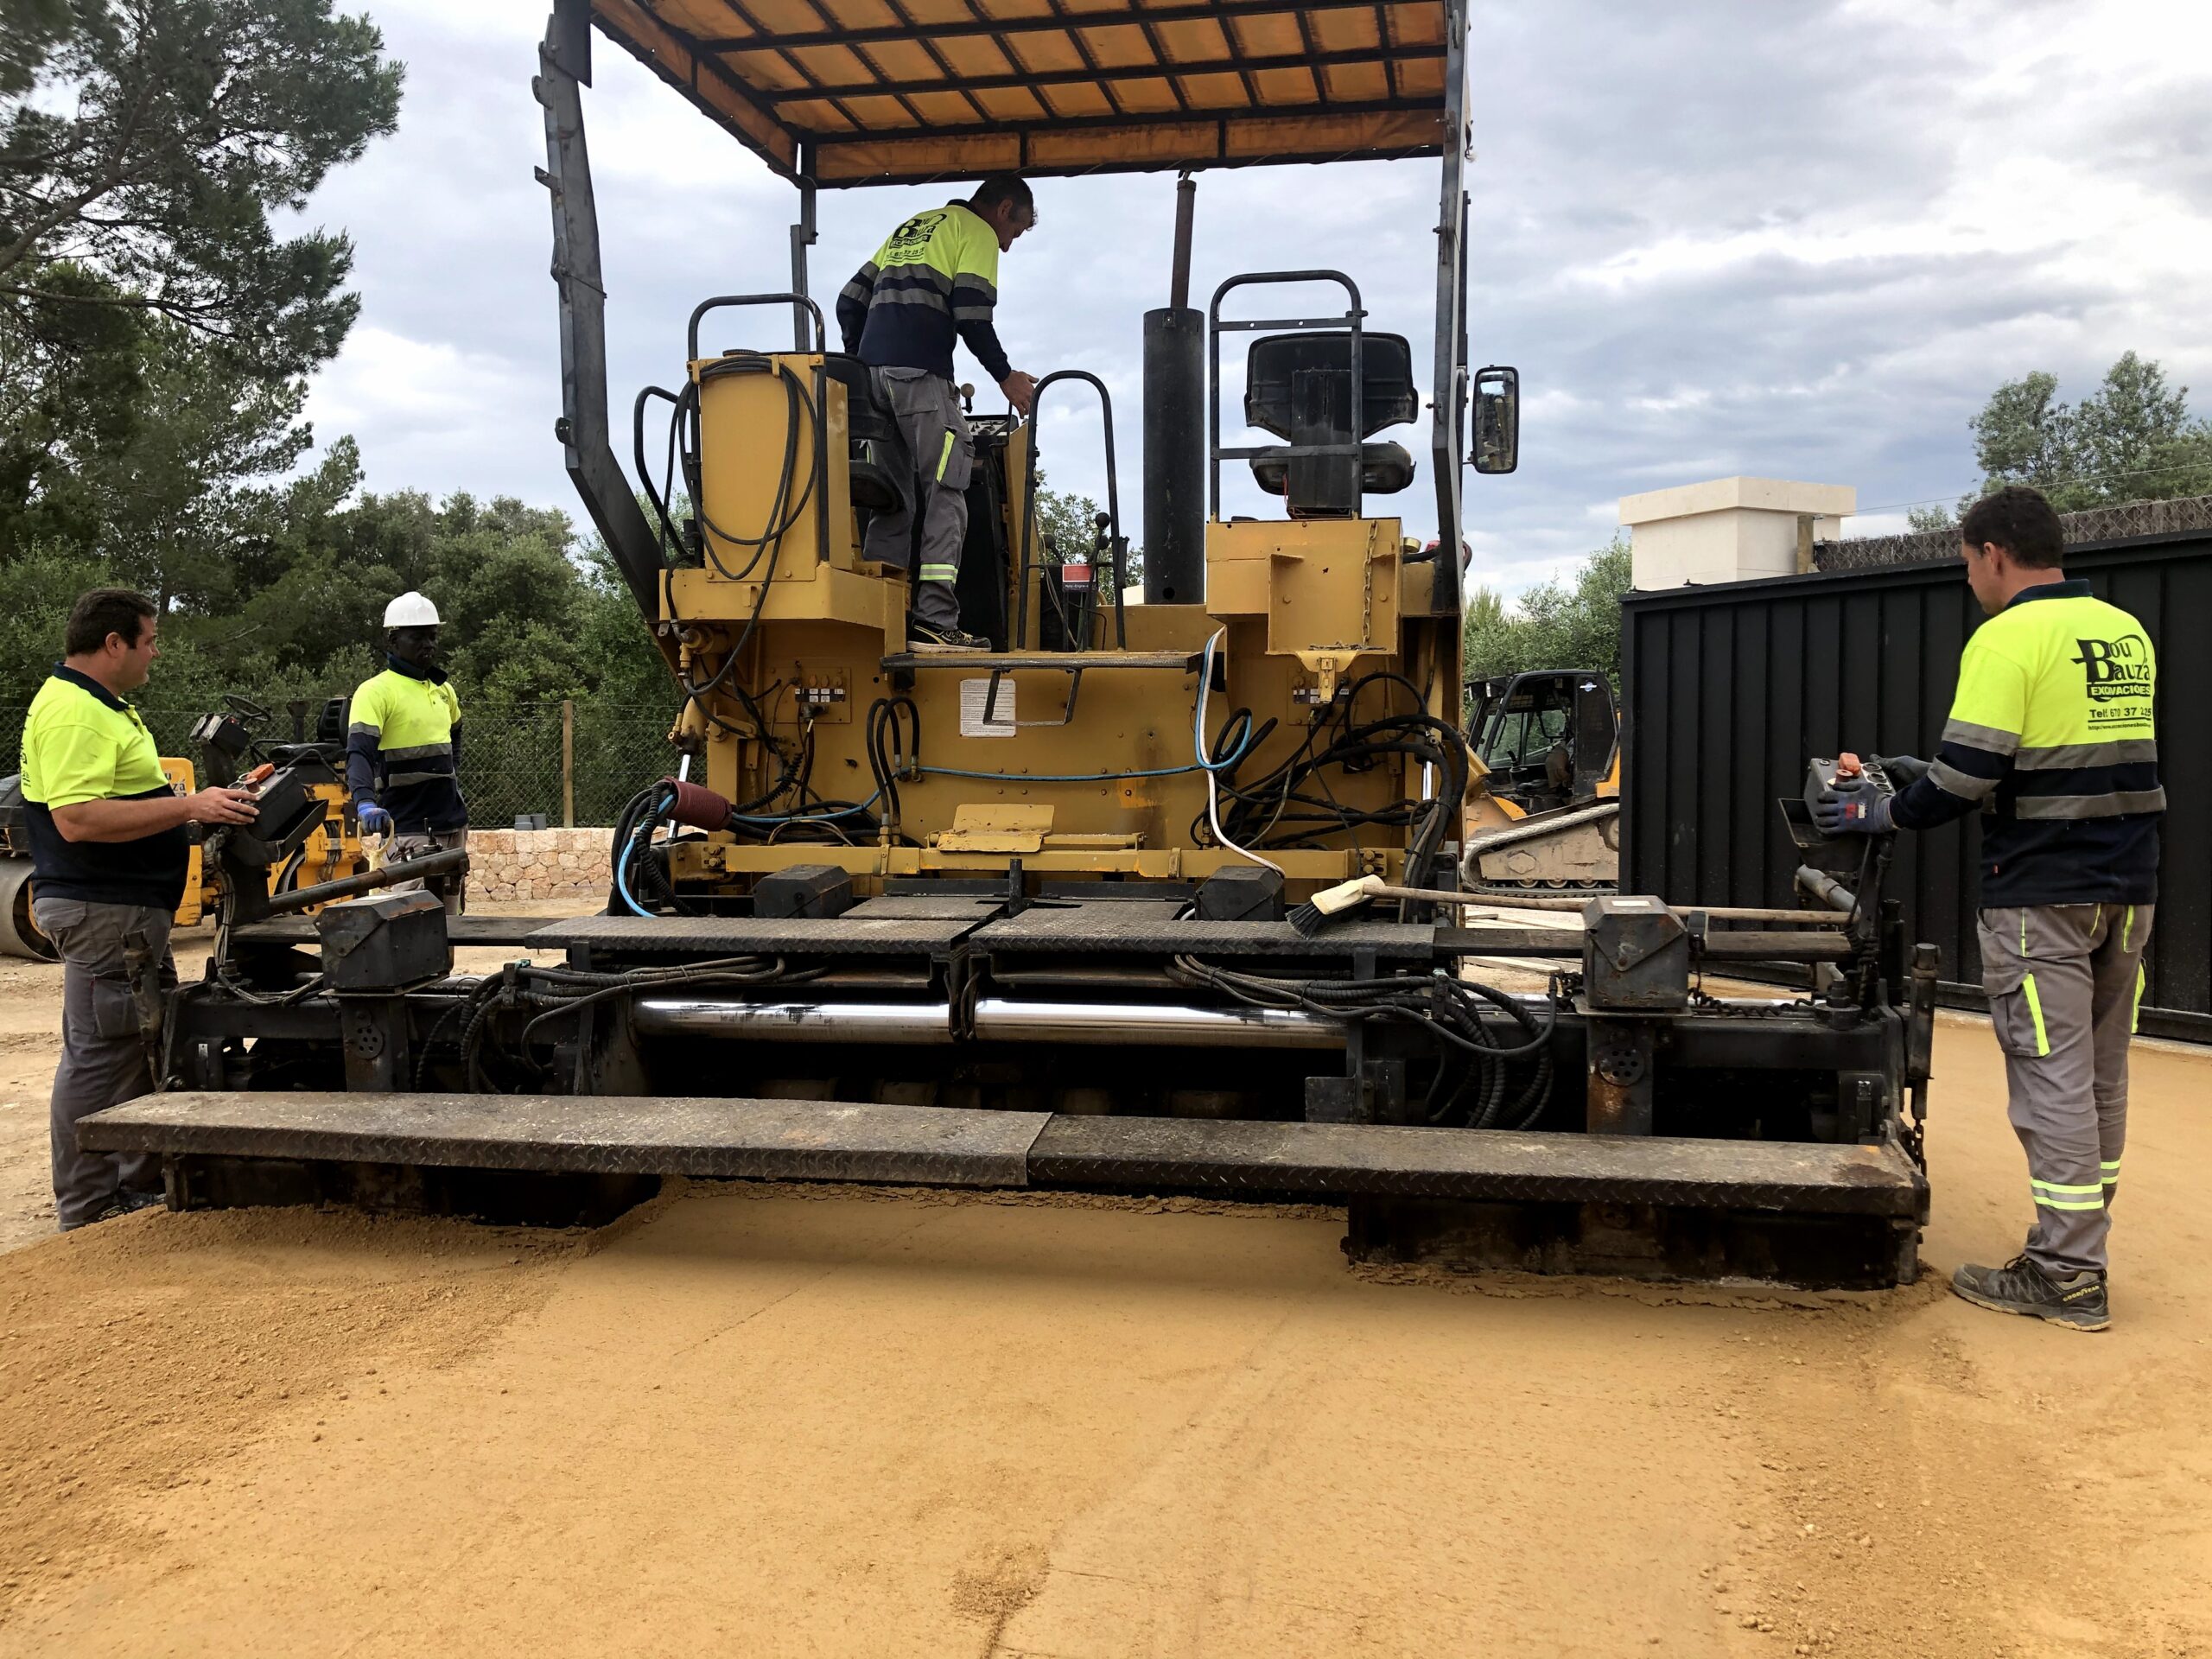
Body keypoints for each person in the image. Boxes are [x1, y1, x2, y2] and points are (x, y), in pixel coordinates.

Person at [1815, 485, 2161, 1331]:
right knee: (2098, 1078)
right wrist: (1914, 767)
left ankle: (2067, 1274)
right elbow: (2039, 753)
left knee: (2049, 1080)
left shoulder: (2006, 638)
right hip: (2126, 891)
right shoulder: (2121, 632)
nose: (1970, 579)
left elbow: (1969, 775)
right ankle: (2074, 1245)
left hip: (2041, 895)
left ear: (1992, 554)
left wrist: (1883, 807)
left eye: (1968, 563)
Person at [20, 588, 258, 1229]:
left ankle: (129, 1184)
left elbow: (127, 806)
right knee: (101, 1053)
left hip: (123, 908)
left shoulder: (101, 706)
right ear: (114, 643)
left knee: (135, 1045)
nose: (156, 650)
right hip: (105, 910)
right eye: (149, 639)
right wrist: (190, 806)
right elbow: (77, 819)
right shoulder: (76, 714)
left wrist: (211, 804)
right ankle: (88, 1206)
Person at [836, 174, 1038, 653]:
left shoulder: (916, 226)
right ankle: (933, 619)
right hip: (922, 380)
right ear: (1004, 208)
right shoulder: (977, 232)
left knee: (893, 501)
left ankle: (878, 618)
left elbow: (849, 300)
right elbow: (972, 314)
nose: (1007, 246)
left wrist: (863, 362)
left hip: (876, 384)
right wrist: (1006, 376)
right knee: (948, 488)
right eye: (1017, 230)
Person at [346, 591, 467, 914]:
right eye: (417, 637)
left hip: (451, 823)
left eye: (432, 636)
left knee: (450, 922)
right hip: (408, 827)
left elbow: (455, 733)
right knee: (410, 923)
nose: (428, 644)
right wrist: (365, 803)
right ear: (394, 640)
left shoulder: (443, 689)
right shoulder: (375, 692)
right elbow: (359, 753)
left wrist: (451, 776)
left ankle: (445, 969)